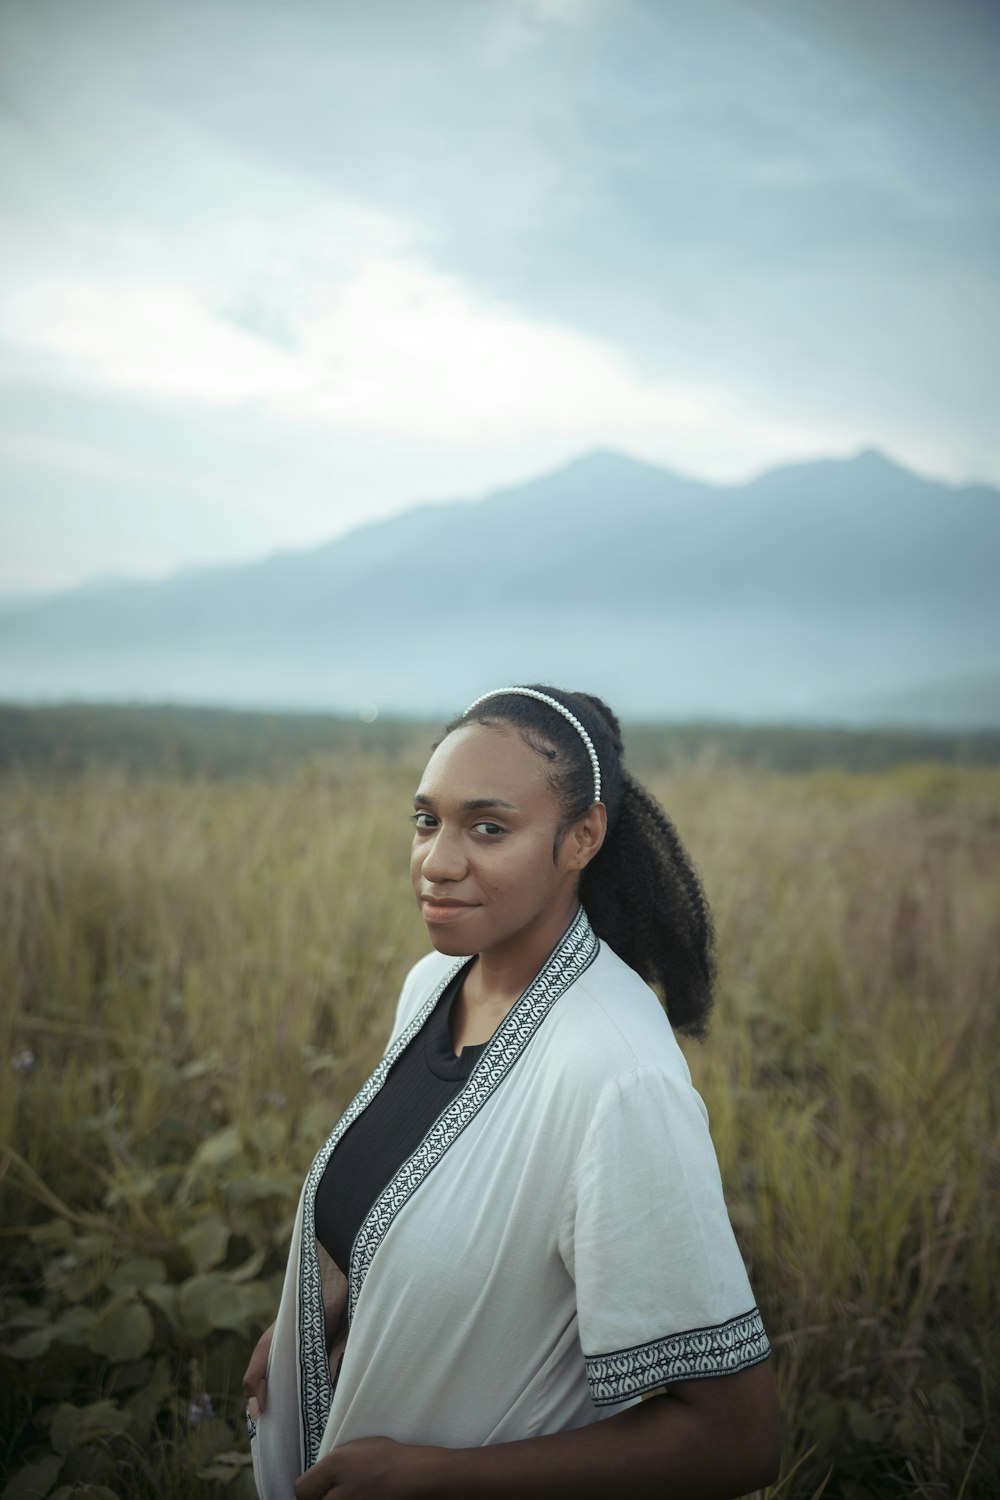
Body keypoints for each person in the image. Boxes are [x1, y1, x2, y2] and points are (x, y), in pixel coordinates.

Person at [243, 685, 781, 1499]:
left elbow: (736, 1438)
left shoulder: (617, 1075)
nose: (438, 861)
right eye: (427, 821)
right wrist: (329, 1317)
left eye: (488, 828)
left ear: (582, 838)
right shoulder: (434, 985)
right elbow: (438, 1205)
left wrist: (440, 1479)